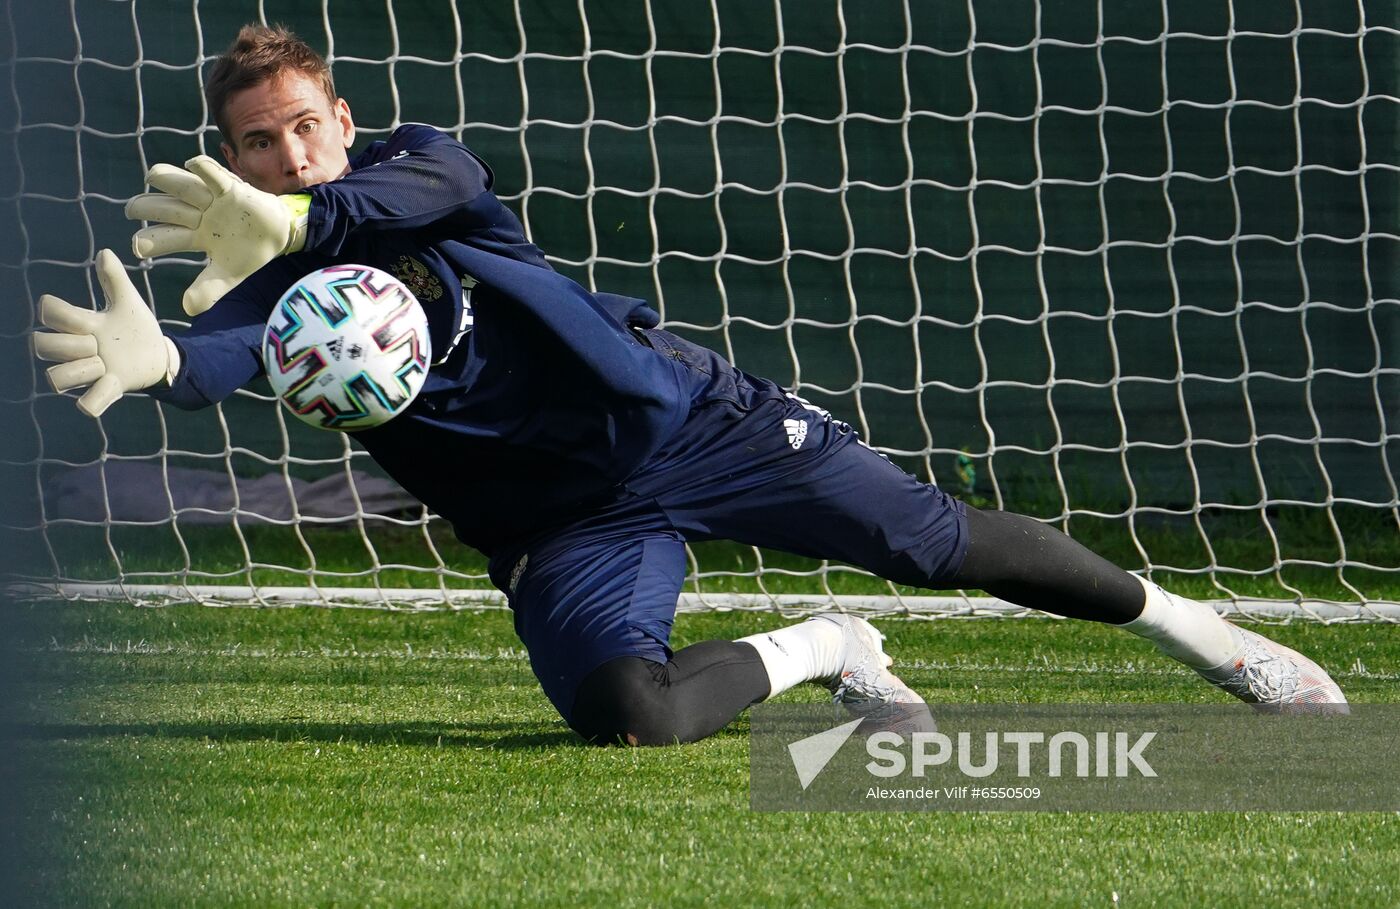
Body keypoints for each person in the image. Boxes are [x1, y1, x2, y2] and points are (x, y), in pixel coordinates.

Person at [31, 25, 1346, 746]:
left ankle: (1215, 642)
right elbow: (221, 351)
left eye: (305, 125)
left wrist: (306, 226)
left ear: (344, 115)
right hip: (562, 524)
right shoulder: (255, 275)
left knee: (934, 542)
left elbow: (407, 197)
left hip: (687, 422)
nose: (288, 151)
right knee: (625, 717)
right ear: (229, 155)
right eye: (258, 143)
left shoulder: (422, 163)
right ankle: (830, 648)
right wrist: (158, 363)